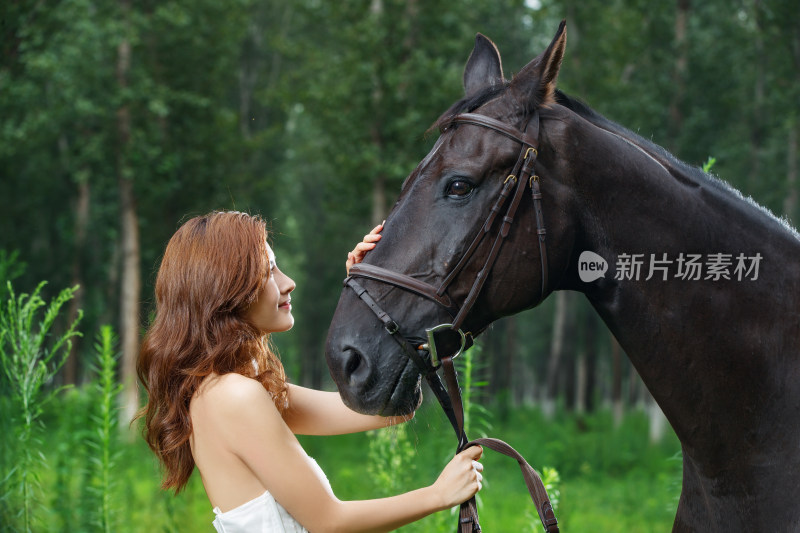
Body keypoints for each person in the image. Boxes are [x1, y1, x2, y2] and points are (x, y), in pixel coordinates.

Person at [136, 211, 483, 533]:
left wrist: (372, 292)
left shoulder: (233, 389)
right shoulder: (233, 397)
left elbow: (389, 409)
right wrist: (438, 495)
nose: (288, 283)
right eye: (267, 271)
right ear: (224, 289)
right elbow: (328, 522)